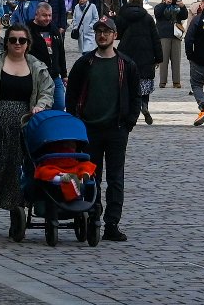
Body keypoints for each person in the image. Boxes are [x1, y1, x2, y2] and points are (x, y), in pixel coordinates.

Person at [0, 21, 53, 241]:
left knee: (15, 170)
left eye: (21, 40)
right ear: (6, 43)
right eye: (13, 40)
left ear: (28, 43)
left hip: (23, 124)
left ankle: (17, 210)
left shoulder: (36, 66)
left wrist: (40, 106)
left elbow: (47, 90)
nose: (17, 43)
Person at [65, 15, 135, 241]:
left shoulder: (126, 64)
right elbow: (72, 94)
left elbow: (135, 96)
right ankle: (92, 216)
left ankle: (112, 223)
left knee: (115, 178)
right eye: (99, 32)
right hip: (89, 130)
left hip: (116, 129)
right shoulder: (85, 63)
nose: (102, 35)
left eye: (107, 31)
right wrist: (76, 121)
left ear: (115, 35)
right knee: (90, 176)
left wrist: (129, 121)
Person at [114, 0, 159, 127]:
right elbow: (155, 38)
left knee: (127, 82)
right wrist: (158, 57)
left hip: (127, 52)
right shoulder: (148, 18)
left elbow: (118, 33)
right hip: (146, 54)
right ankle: (144, 104)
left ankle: (129, 110)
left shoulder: (123, 15)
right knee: (144, 82)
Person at [153, 0, 186, 89]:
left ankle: (176, 81)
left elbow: (184, 16)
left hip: (176, 35)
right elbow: (157, 14)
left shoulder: (177, 7)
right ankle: (162, 81)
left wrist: (183, 7)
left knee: (176, 60)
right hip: (164, 35)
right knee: (163, 60)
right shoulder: (159, 6)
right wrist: (165, 4)